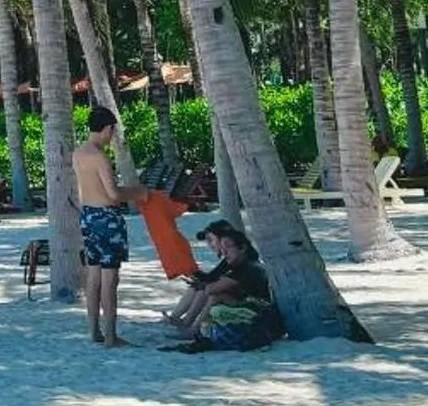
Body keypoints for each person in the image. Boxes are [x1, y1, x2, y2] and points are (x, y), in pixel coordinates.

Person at [73, 104, 146, 346]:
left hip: (88, 216)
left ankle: (94, 330)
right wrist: (138, 192)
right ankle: (111, 335)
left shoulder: (79, 153)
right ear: (107, 129)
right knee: (110, 278)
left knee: (93, 274)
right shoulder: (99, 157)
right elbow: (113, 194)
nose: (112, 136)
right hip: (107, 218)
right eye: (112, 131)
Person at [166, 222, 284, 351]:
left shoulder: (247, 267)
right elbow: (212, 279)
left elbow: (212, 287)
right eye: (223, 249)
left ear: (242, 248)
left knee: (214, 294)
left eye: (227, 247)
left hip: (258, 311)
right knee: (205, 289)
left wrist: (207, 282)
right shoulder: (242, 263)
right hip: (250, 304)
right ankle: (185, 323)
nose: (224, 252)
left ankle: (192, 328)